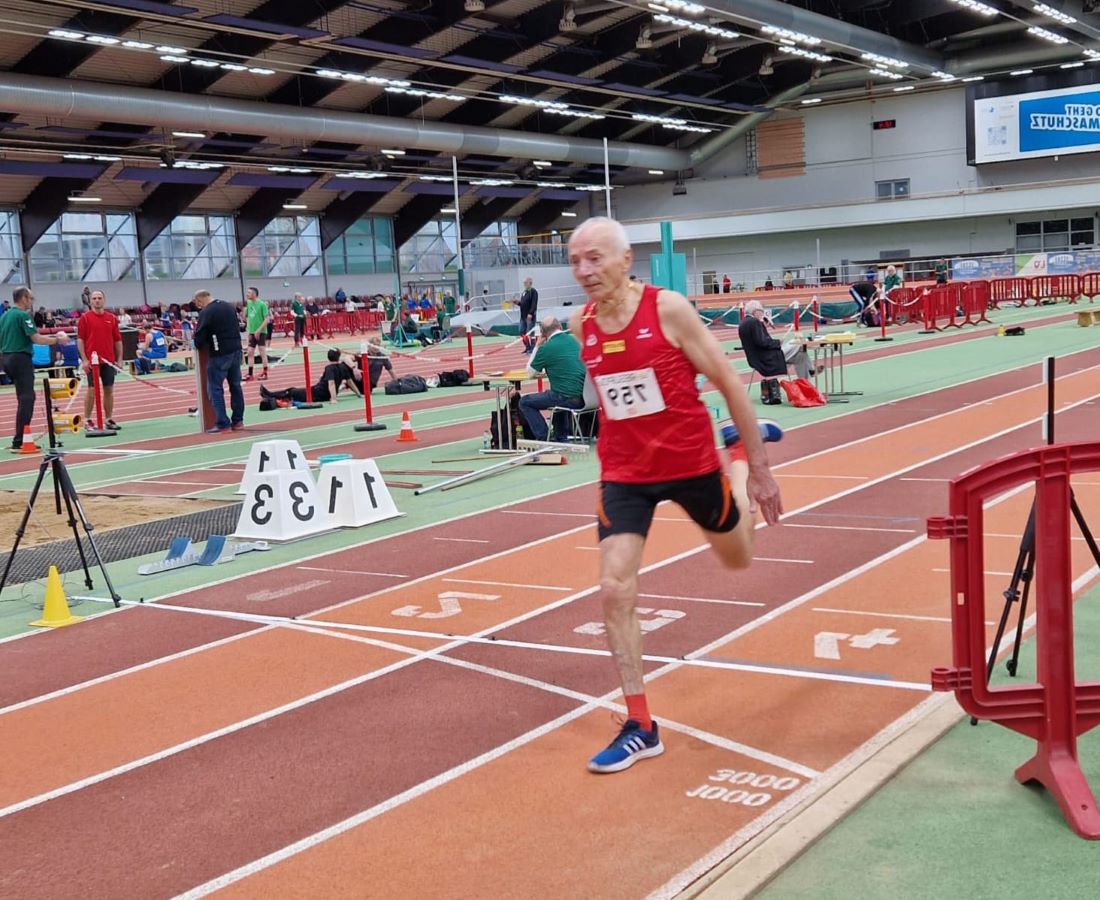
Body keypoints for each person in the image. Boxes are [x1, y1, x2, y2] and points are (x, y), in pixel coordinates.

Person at [567, 217, 782, 773]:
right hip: (625, 474)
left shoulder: (668, 310)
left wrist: (756, 470)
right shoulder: (580, 324)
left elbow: (731, 381)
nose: (584, 271)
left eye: (594, 258)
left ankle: (732, 462)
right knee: (614, 587)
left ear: (624, 259)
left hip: (691, 463)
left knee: (738, 558)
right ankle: (641, 724)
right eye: (575, 261)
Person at [0, 287, 70, 452]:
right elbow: (36, 338)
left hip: (7, 358)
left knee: (23, 398)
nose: (32, 302)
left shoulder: (4, 316)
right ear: (24, 298)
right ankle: (20, 440)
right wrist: (58, 340)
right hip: (20, 357)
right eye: (31, 298)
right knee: (27, 399)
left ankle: (20, 438)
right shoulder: (22, 316)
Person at [519, 316, 587, 441]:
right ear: (560, 327)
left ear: (543, 333)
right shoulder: (575, 341)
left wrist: (537, 346)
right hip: (586, 398)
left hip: (566, 397)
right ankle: (561, 436)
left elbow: (530, 372)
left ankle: (544, 437)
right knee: (557, 394)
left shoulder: (546, 348)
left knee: (525, 402)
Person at [738, 300, 813, 404]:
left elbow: (757, 340)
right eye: (761, 311)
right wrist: (778, 342)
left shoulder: (744, 323)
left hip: (758, 358)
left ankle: (806, 383)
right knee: (798, 343)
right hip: (767, 357)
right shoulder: (754, 322)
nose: (762, 313)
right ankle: (811, 371)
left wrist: (763, 325)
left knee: (801, 355)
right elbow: (762, 342)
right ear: (755, 311)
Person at [192, 289, 244, 433]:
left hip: (220, 353)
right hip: (236, 350)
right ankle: (238, 420)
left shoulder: (207, 312)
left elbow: (200, 336)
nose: (198, 306)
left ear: (200, 300)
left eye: (197, 303)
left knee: (215, 388)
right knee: (235, 386)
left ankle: (223, 423)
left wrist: (196, 343)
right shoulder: (229, 306)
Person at [77, 289, 124, 430]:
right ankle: (87, 419)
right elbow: (80, 340)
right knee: (92, 390)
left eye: (99, 298)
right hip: (92, 361)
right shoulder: (85, 318)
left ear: (104, 300)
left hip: (108, 360)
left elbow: (117, 340)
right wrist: (84, 360)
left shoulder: (112, 318)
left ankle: (108, 419)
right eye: (94, 298)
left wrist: (120, 359)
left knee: (108, 389)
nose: (97, 300)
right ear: (90, 301)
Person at [260, 349, 361, 407]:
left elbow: (332, 383)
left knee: (292, 391)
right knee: (293, 392)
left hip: (317, 393)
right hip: (319, 392)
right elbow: (350, 382)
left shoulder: (329, 368)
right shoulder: (343, 367)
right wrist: (359, 395)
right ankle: (270, 395)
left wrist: (333, 399)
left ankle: (269, 395)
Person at [243, 286, 271, 382]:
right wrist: (249, 330)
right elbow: (247, 317)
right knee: (250, 352)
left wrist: (259, 330)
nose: (247, 294)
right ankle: (250, 373)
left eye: (249, 293)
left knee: (262, 351)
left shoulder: (262, 304)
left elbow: (267, 319)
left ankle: (265, 372)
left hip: (261, 332)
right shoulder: (249, 303)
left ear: (254, 294)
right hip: (251, 332)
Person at [519, 277, 539, 354]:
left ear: (530, 283)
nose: (524, 284)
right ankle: (527, 347)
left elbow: (534, 303)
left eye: (525, 283)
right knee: (521, 332)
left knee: (530, 333)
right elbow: (522, 303)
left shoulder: (533, 292)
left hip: (529, 316)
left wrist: (530, 313)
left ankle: (533, 348)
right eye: (524, 283)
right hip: (522, 316)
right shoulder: (524, 292)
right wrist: (516, 302)